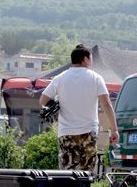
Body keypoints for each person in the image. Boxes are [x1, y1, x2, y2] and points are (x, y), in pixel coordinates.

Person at [40, 44, 119, 173]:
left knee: (66, 172)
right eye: (91, 58)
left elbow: (43, 100)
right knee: (86, 172)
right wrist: (114, 130)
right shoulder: (96, 78)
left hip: (66, 132)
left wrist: (56, 104)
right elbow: (106, 104)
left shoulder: (60, 78)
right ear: (85, 59)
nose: (92, 61)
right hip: (88, 132)